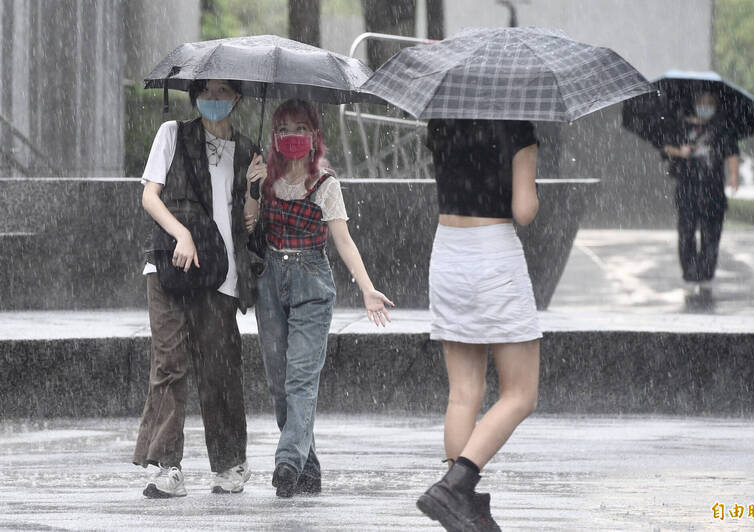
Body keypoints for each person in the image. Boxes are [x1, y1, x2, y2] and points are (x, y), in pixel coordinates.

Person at [244, 99, 394, 498]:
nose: (292, 136)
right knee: (279, 383)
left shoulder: (326, 184)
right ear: (274, 136)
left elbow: (343, 240)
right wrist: (253, 188)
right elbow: (248, 225)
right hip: (270, 282)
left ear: (314, 136)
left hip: (311, 281)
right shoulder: (266, 177)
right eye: (284, 129)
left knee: (301, 378)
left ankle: (287, 461)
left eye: (300, 128)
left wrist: (367, 288)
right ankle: (307, 469)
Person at [133, 79, 261, 498]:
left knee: (219, 369)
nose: (213, 99)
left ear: (237, 98)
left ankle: (229, 463)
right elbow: (150, 197)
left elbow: (247, 225)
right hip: (170, 265)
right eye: (206, 91)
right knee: (169, 363)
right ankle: (166, 466)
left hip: (220, 272)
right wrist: (182, 233)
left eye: (222, 91)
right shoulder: (172, 133)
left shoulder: (247, 149)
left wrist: (254, 190)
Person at [416, 119, 542, 531]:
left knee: (463, 393)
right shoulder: (516, 127)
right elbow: (524, 211)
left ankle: (460, 504)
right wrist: (531, 174)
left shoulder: (441, 121)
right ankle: (456, 486)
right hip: (493, 254)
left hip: (448, 252)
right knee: (520, 394)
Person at [661, 91, 740, 298]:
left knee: (711, 233)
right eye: (702, 102)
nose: (705, 106)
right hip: (687, 188)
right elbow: (666, 147)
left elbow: (732, 152)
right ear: (695, 104)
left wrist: (734, 175)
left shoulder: (722, 128)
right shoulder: (681, 126)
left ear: (715, 106)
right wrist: (680, 152)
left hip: (713, 189)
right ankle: (690, 272)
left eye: (710, 103)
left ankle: (705, 272)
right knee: (686, 232)